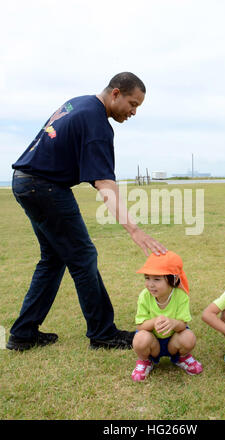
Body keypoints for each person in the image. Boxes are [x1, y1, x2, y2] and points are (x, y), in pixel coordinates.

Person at [7, 72, 166, 352]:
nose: (133, 112)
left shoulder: (79, 103)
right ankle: (103, 333)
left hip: (25, 181)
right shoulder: (97, 124)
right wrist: (134, 230)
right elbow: (105, 185)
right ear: (115, 93)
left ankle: (23, 334)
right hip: (44, 187)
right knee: (83, 257)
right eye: (132, 104)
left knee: (53, 259)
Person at [131, 251, 203, 382]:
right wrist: (154, 322)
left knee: (189, 337)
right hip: (153, 343)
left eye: (157, 279)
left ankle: (182, 357)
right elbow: (140, 326)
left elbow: (183, 325)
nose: (150, 284)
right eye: (147, 278)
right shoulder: (144, 296)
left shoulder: (181, 296)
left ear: (173, 279)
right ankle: (145, 361)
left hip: (172, 342)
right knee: (140, 339)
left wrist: (173, 323)